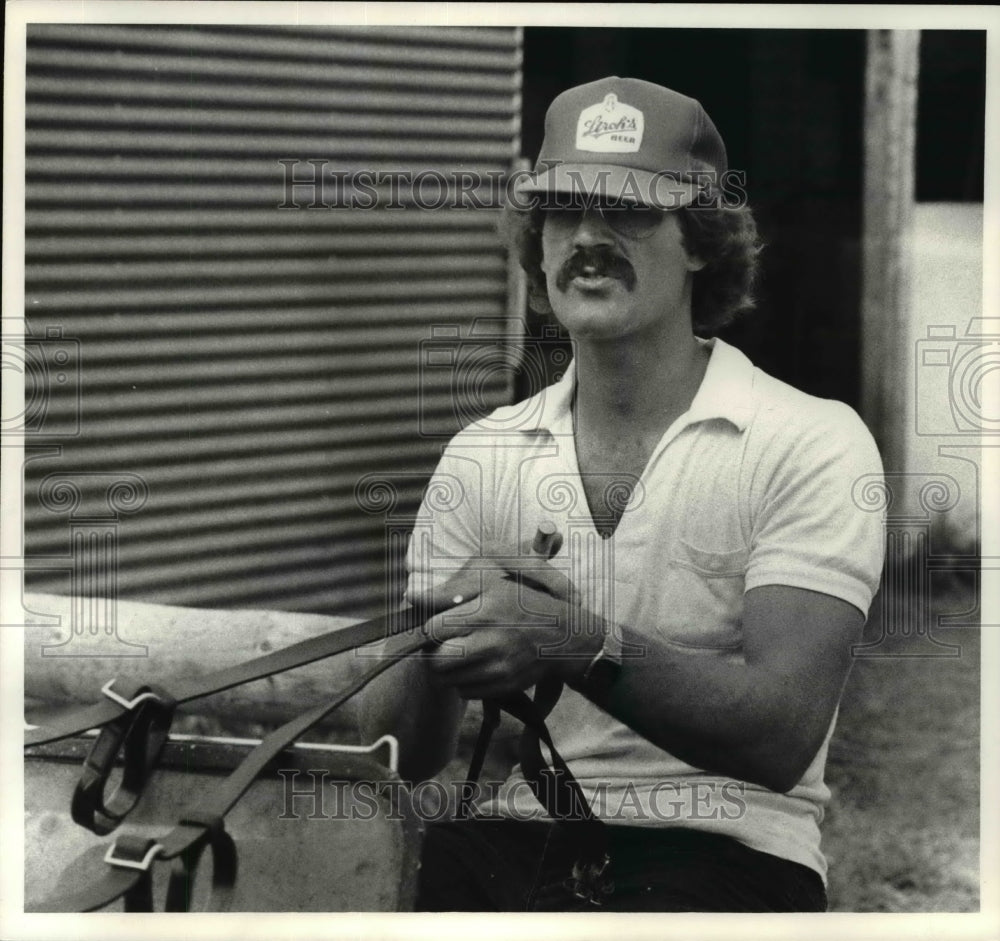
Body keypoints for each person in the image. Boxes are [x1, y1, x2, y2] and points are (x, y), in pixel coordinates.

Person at [360, 76, 885, 912]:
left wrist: (574, 641)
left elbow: (781, 733)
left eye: (629, 212)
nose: (588, 239)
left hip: (731, 847)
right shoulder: (485, 452)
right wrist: (440, 634)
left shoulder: (809, 439)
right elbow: (405, 753)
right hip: (521, 832)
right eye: (563, 212)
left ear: (702, 241)